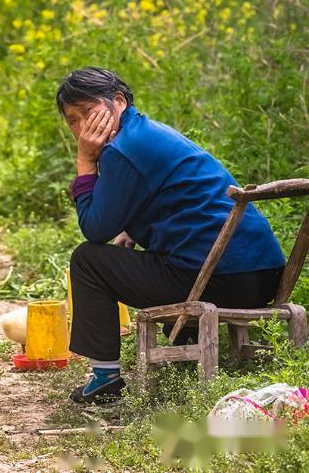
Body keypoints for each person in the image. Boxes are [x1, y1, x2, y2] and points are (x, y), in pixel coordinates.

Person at [58, 67, 286, 404]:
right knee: (163, 260)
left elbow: (95, 229)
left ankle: (104, 378)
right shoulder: (144, 133)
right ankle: (185, 356)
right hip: (264, 275)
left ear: (118, 101)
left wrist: (84, 162)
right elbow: (175, 199)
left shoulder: (121, 150)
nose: (82, 129)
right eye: (73, 121)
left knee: (88, 260)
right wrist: (130, 230)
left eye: (89, 113)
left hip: (221, 280)